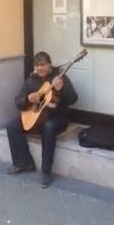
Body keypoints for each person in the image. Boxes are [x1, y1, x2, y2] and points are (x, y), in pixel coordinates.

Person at [5, 51, 78, 188]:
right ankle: (24, 163)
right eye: (37, 65)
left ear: (50, 65)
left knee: (48, 127)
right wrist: (27, 99)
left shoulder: (60, 77)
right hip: (35, 118)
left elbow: (73, 98)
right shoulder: (31, 80)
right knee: (12, 125)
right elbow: (17, 102)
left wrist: (61, 89)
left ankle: (46, 171)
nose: (40, 68)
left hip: (58, 117)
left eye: (43, 64)